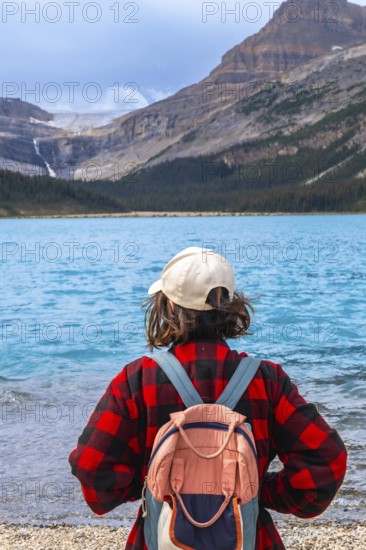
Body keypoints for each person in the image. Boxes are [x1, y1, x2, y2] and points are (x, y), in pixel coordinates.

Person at [68, 246, 347, 550]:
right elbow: (327, 461)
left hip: (160, 540)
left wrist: (153, 485)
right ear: (229, 307)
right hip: (249, 539)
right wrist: (261, 491)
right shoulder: (266, 381)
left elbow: (92, 467)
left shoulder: (137, 380)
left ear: (167, 307)